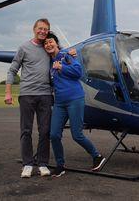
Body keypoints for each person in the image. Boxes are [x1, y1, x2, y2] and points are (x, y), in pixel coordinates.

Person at [44, 32, 106, 177]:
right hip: (59, 102)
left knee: (76, 134)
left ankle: (97, 156)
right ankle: (60, 165)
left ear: (56, 43)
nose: (48, 44)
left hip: (74, 99)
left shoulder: (66, 56)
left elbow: (78, 72)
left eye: (50, 41)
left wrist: (62, 68)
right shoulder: (49, 62)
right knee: (53, 134)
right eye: (45, 43)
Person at [5, 18, 53, 178]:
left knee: (45, 131)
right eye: (40, 28)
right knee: (26, 131)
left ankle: (43, 163)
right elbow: (12, 70)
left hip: (45, 95)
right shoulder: (24, 47)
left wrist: (71, 53)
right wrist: (8, 92)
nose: (42, 31)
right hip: (26, 95)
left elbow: (61, 55)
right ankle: (27, 164)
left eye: (45, 29)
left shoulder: (49, 47)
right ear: (34, 29)